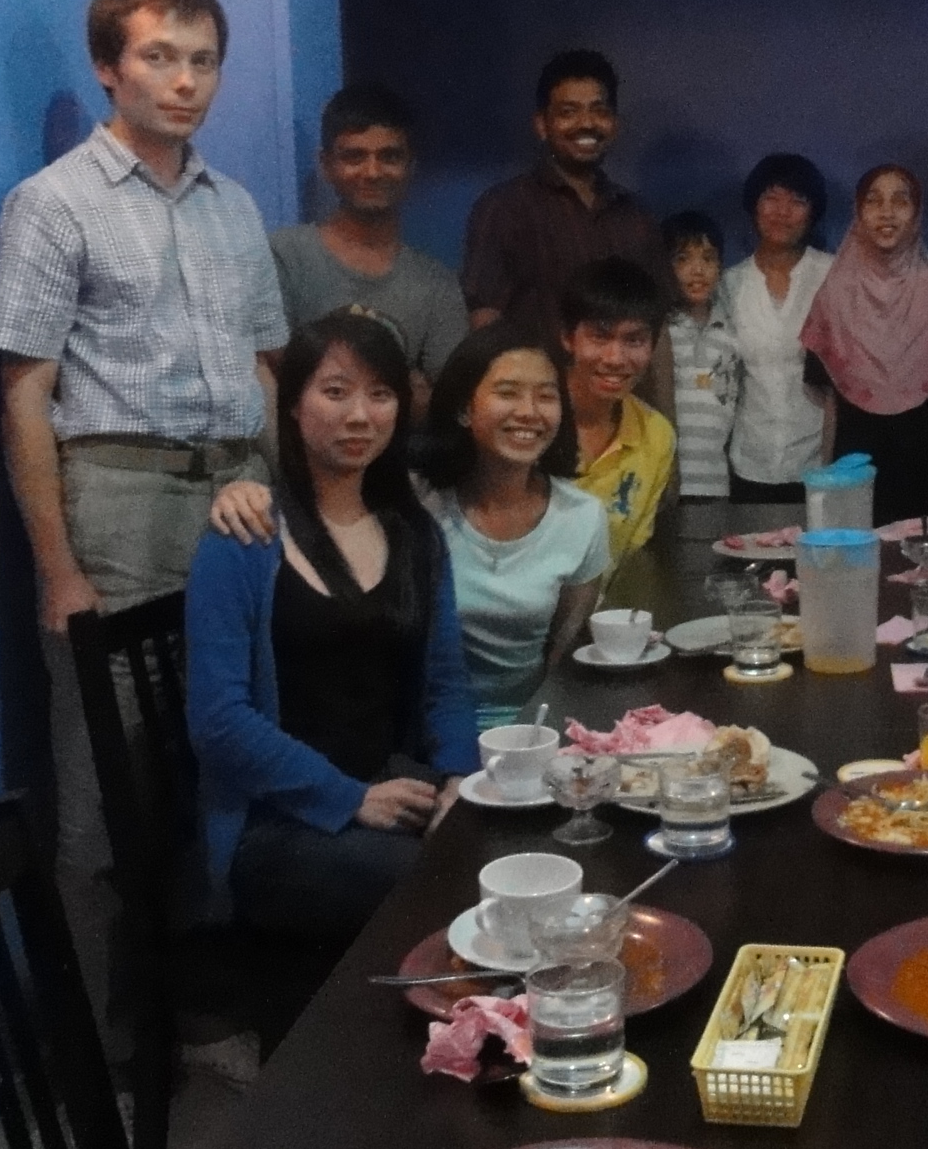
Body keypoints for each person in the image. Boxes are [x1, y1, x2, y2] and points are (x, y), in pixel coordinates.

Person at [0, 0, 286, 1050]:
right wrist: (59, 569)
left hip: (236, 497)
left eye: (203, 61)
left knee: (216, 767)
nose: (184, 81)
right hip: (117, 501)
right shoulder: (53, 203)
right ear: (110, 67)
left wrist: (274, 488)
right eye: (159, 57)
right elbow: (24, 393)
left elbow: (266, 366)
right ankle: (97, 1058)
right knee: (105, 792)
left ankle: (190, 1012)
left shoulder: (234, 205)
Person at [185, 312, 477, 945]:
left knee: (516, 843)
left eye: (380, 394)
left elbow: (446, 683)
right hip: (280, 823)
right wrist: (349, 798)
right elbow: (218, 721)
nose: (359, 416)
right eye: (335, 391)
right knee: (445, 887)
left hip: (395, 789)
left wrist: (458, 779)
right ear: (293, 405)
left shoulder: (417, 534)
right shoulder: (244, 538)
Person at [416, 324, 609, 728]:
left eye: (546, 396)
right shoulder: (419, 507)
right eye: (508, 393)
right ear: (464, 409)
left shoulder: (582, 517)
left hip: (533, 725)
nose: (529, 412)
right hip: (428, 728)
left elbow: (562, 652)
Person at [267, 83, 470, 406]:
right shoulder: (284, 257)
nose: (373, 172)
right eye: (354, 156)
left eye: (389, 156)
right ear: (326, 164)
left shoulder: (436, 284)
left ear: (410, 166)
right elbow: (277, 379)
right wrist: (402, 389)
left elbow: (451, 400)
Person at [801, 165, 928, 526]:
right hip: (857, 473)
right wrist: (827, 479)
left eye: (900, 201)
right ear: (858, 213)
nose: (887, 212)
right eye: (873, 201)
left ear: (916, 214)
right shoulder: (834, 298)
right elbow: (832, 402)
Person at [459, 49, 666, 340]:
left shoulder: (637, 216)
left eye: (599, 110)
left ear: (614, 124)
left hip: (624, 371)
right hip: (536, 371)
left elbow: (657, 324)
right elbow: (484, 319)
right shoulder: (504, 208)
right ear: (542, 125)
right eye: (569, 112)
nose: (587, 123)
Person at [721, 152, 835, 505]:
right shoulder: (729, 283)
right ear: (754, 205)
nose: (782, 212)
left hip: (820, 463)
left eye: (797, 201)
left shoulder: (833, 275)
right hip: (749, 462)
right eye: (771, 198)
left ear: (812, 211)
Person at [559, 258, 676, 573]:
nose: (615, 358)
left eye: (634, 340)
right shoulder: (532, 420)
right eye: (599, 337)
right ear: (567, 337)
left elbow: (630, 554)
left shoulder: (656, 435)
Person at [663, 212, 739, 502]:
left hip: (716, 484)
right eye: (683, 259)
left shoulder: (731, 332)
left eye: (708, 259)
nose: (698, 270)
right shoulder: (661, 331)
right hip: (666, 483)